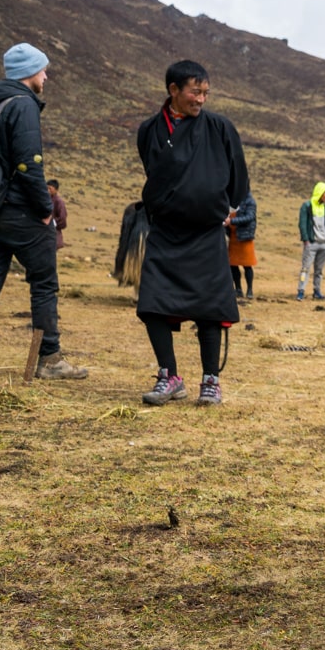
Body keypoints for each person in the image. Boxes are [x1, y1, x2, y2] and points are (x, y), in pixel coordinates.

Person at [136, 61, 249, 407]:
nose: (201, 99)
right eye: (194, 91)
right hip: (165, 232)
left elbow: (238, 177)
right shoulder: (150, 130)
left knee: (210, 308)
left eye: (205, 93)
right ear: (173, 90)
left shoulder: (219, 127)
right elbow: (156, 174)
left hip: (206, 234)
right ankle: (168, 376)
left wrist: (223, 208)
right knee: (152, 303)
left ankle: (210, 381)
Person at [0, 43, 84, 379]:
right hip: (21, 211)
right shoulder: (23, 104)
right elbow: (28, 162)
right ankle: (48, 359)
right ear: (29, 73)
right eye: (43, 70)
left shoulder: (1, 101)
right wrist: (44, 209)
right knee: (44, 284)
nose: (46, 76)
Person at [296, 182, 325, 301]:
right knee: (305, 268)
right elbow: (302, 223)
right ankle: (301, 291)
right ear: (321, 193)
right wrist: (306, 239)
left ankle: (317, 291)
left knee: (319, 270)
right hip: (311, 243)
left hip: (324, 244)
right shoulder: (307, 206)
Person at [228, 192, 258, 303]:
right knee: (233, 265)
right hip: (233, 236)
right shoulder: (231, 200)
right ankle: (238, 289)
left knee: (247, 265)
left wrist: (232, 221)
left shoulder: (250, 201)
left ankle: (249, 289)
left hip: (245, 237)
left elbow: (250, 217)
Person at [47, 180, 66, 249]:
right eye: (46, 188)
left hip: (53, 233)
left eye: (50, 188)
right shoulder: (45, 199)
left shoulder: (59, 202)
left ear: (56, 190)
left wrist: (52, 222)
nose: (48, 190)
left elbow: (62, 218)